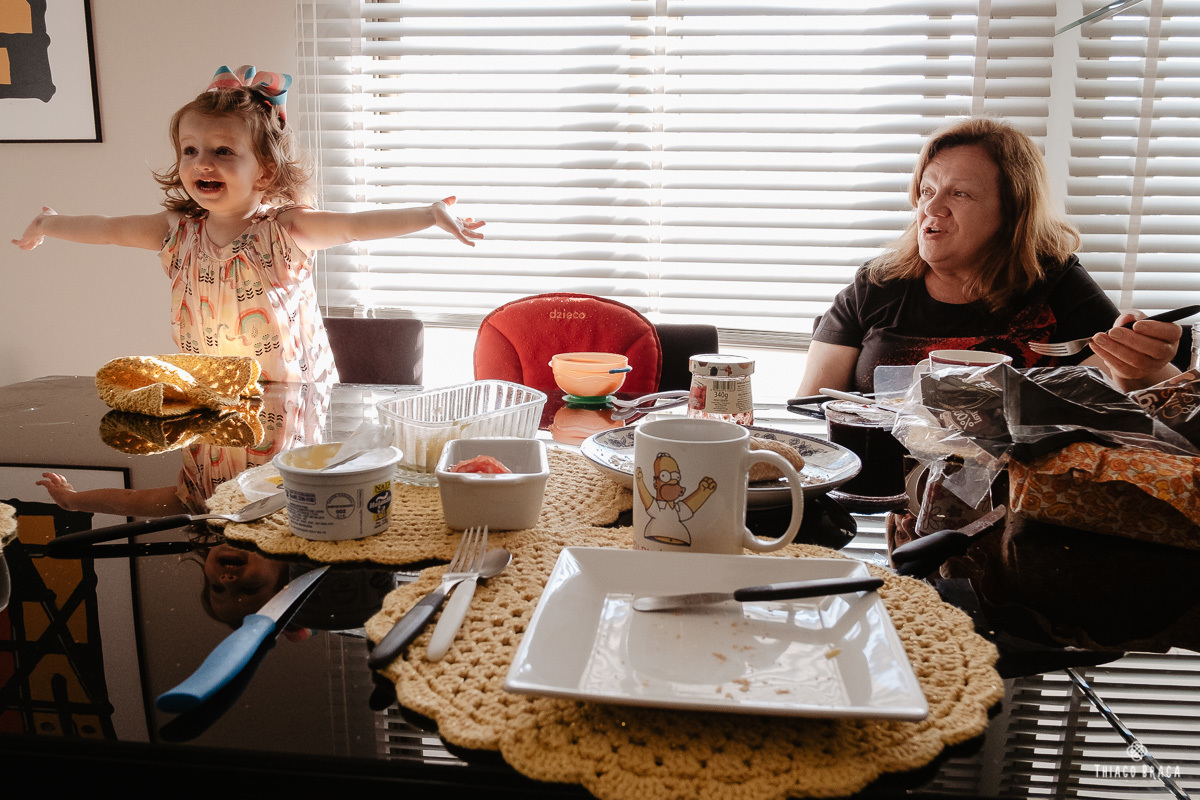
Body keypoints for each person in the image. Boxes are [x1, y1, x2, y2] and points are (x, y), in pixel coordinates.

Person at [11, 64, 484, 383]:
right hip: (214, 397)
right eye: (190, 151)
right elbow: (108, 229)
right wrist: (50, 224)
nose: (202, 163)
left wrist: (429, 214)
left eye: (222, 151)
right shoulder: (175, 231)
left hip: (294, 402)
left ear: (265, 170)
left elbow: (356, 225)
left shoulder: (287, 230)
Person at [798, 116, 1181, 396]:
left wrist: (1144, 367)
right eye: (928, 190)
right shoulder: (878, 283)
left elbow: (1131, 393)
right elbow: (811, 407)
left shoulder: (1054, 282)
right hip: (880, 491)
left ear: (1012, 211)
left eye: (959, 194)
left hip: (1014, 493)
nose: (933, 209)